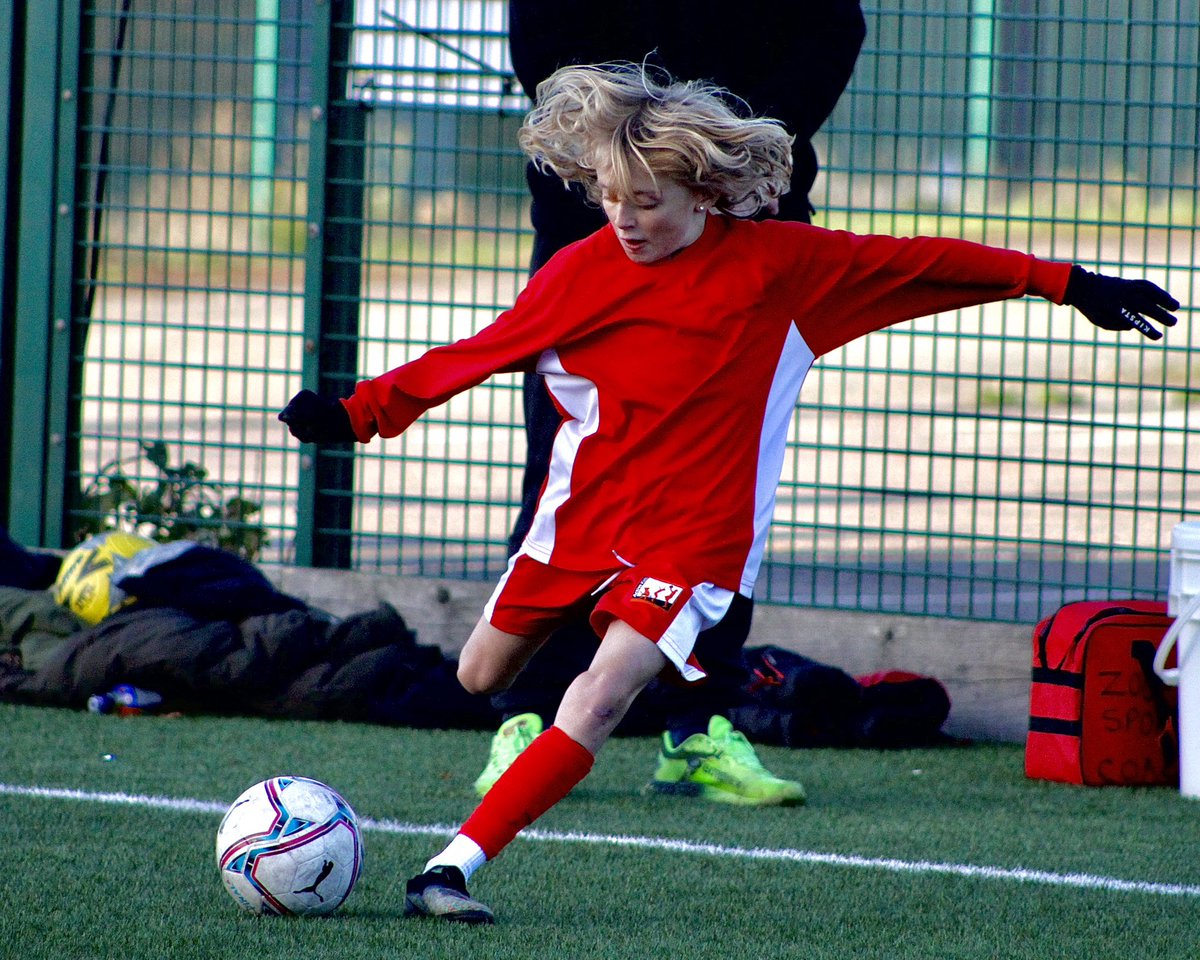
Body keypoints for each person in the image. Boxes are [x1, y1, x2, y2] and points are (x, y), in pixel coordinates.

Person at [279, 63, 1179, 924]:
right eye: (607, 196)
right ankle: (523, 753)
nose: (623, 219)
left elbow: (921, 262)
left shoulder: (781, 269)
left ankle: (449, 868)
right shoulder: (581, 272)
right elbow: (478, 353)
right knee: (479, 673)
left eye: (645, 202)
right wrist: (357, 414)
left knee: (598, 697)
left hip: (694, 537)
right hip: (581, 518)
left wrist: (1071, 285)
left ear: (701, 193)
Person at [477, 0, 868, 808]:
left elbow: (831, 28)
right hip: (593, 221)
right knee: (568, 468)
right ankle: (528, 714)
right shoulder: (606, 223)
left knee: (724, 489)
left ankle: (697, 728)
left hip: (744, 220)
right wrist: (631, 164)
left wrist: (716, 160)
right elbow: (544, 43)